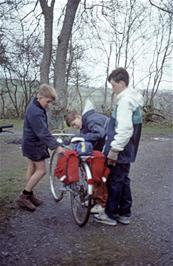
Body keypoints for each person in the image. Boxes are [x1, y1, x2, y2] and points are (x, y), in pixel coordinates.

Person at [94, 67, 143, 226]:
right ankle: (124, 213)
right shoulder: (132, 99)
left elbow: (125, 129)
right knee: (123, 180)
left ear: (122, 83)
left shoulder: (125, 101)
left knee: (115, 180)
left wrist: (114, 149)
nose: (112, 89)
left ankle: (110, 214)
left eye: (113, 85)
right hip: (128, 149)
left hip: (121, 149)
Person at [16, 84, 65, 211]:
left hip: (30, 143)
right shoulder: (35, 112)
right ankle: (24, 196)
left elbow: (41, 129)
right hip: (33, 145)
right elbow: (42, 132)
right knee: (41, 171)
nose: (48, 104)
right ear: (40, 97)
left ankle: (29, 194)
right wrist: (56, 146)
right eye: (47, 101)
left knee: (32, 168)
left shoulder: (34, 105)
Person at [65, 99, 110, 213]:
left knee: (98, 174)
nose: (75, 127)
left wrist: (83, 138)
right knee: (94, 171)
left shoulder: (90, 119)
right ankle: (94, 200)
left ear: (78, 116)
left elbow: (99, 134)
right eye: (73, 126)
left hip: (109, 147)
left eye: (74, 124)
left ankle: (101, 204)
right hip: (105, 147)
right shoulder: (87, 121)